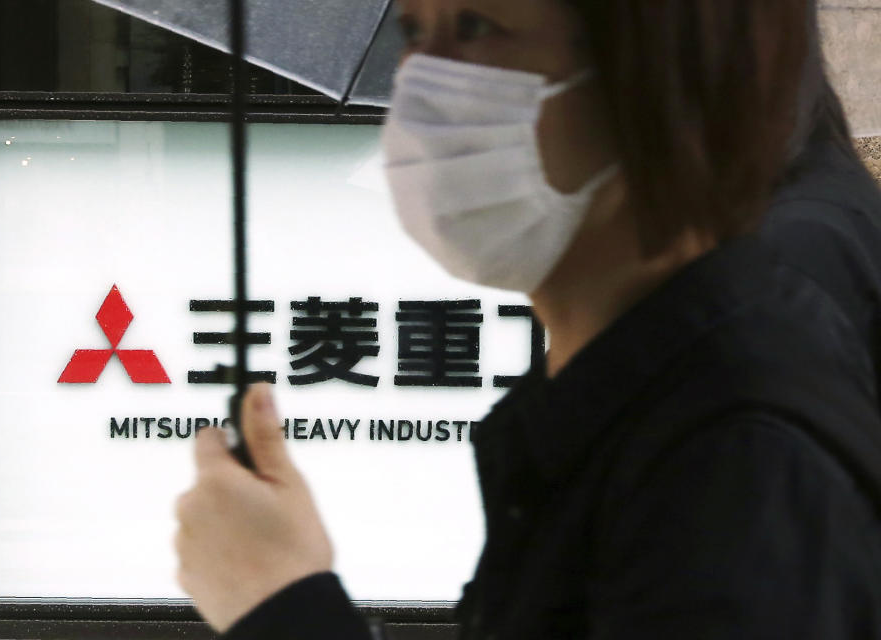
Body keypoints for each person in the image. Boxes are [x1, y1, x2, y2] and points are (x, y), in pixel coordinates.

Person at [174, 0, 881, 637]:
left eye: (477, 27)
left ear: (655, 77)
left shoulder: (733, 460)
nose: (421, 85)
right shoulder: (617, 403)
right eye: (414, 32)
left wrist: (286, 609)